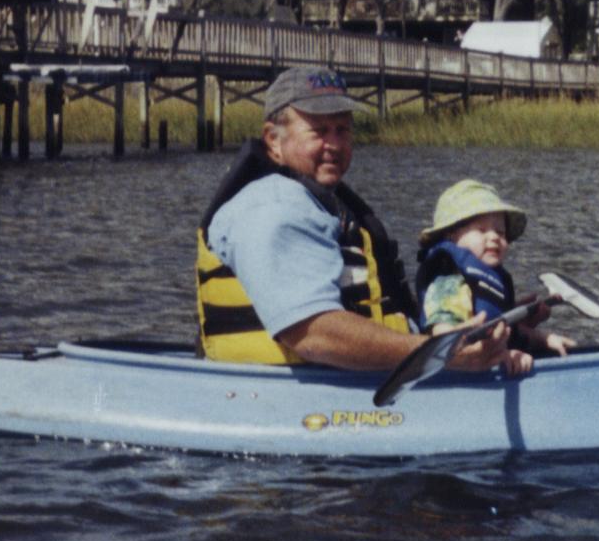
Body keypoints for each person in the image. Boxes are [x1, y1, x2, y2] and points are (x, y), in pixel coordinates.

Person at [195, 66, 508, 372]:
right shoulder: (271, 207)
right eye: (318, 131)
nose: (334, 144)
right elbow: (312, 333)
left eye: (342, 130)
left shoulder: (323, 204)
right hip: (282, 400)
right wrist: (437, 355)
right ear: (273, 140)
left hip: (358, 382)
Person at [416, 179, 577, 376]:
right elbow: (443, 338)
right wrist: (502, 356)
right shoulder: (449, 279)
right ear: (452, 236)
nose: (494, 237)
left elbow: (507, 331)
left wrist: (544, 339)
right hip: (456, 378)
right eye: (481, 230)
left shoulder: (492, 279)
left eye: (500, 231)